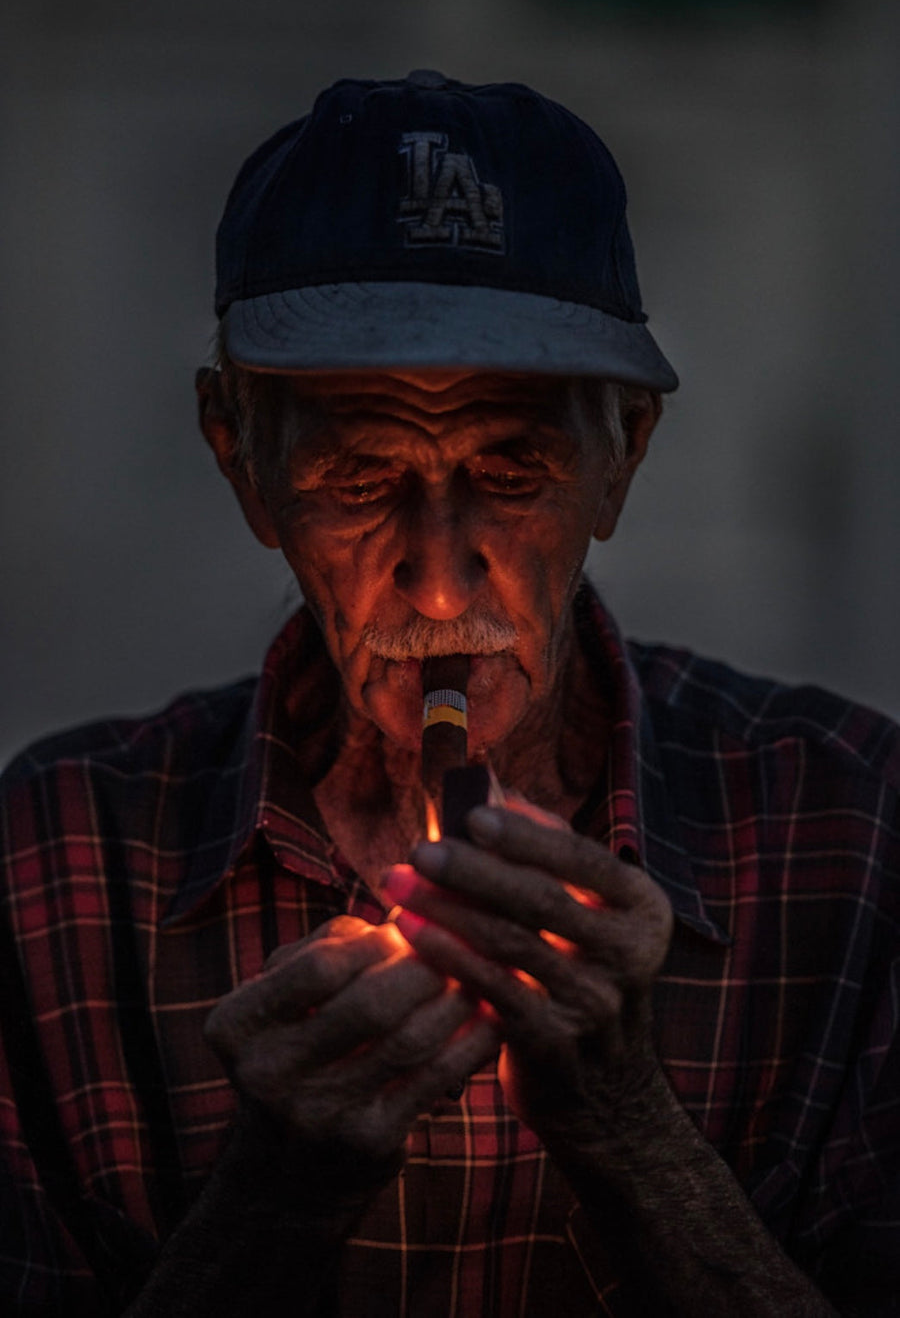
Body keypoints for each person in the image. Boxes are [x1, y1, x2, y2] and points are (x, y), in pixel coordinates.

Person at [1, 70, 898, 1318]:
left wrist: (633, 1133)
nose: (435, 583)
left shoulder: (858, 836)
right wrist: (272, 1202)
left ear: (623, 456)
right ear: (242, 462)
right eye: (358, 475)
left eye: (511, 467)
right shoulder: (50, 861)